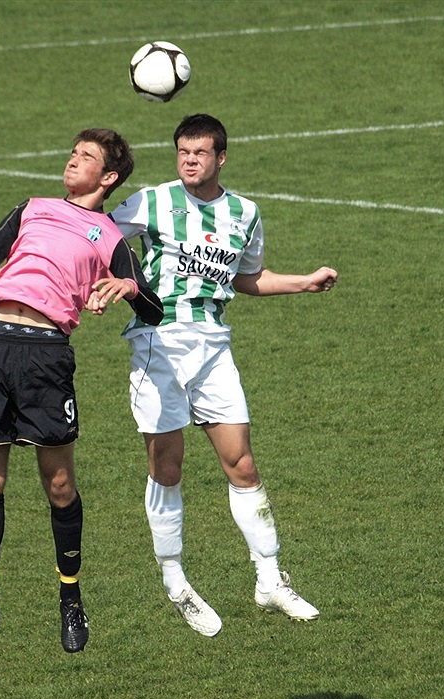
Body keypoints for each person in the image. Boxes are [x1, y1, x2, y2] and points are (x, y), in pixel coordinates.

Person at [0, 128, 163, 653]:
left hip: (45, 357)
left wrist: (130, 287)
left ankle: (70, 598)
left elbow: (154, 307)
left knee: (60, 485)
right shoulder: (33, 207)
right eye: (73, 153)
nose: (72, 161)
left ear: (108, 177)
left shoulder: (109, 236)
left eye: (85, 157)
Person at [94, 113, 338, 637]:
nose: (189, 160)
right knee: (168, 467)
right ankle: (175, 580)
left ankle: (270, 580)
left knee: (242, 464)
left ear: (220, 157)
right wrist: (112, 281)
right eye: (183, 151)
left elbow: (247, 277)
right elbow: (96, 236)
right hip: (158, 344)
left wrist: (303, 282)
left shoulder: (245, 213)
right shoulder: (154, 201)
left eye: (200, 152)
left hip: (213, 347)